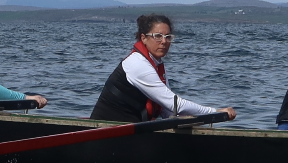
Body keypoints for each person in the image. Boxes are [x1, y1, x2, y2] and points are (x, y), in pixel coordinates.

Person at [90, 14, 236, 123]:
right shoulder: (137, 64)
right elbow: (175, 104)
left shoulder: (156, 64)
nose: (164, 42)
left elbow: (168, 110)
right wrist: (215, 112)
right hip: (104, 130)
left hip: (130, 129)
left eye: (168, 37)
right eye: (158, 36)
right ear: (143, 38)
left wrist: (189, 120)